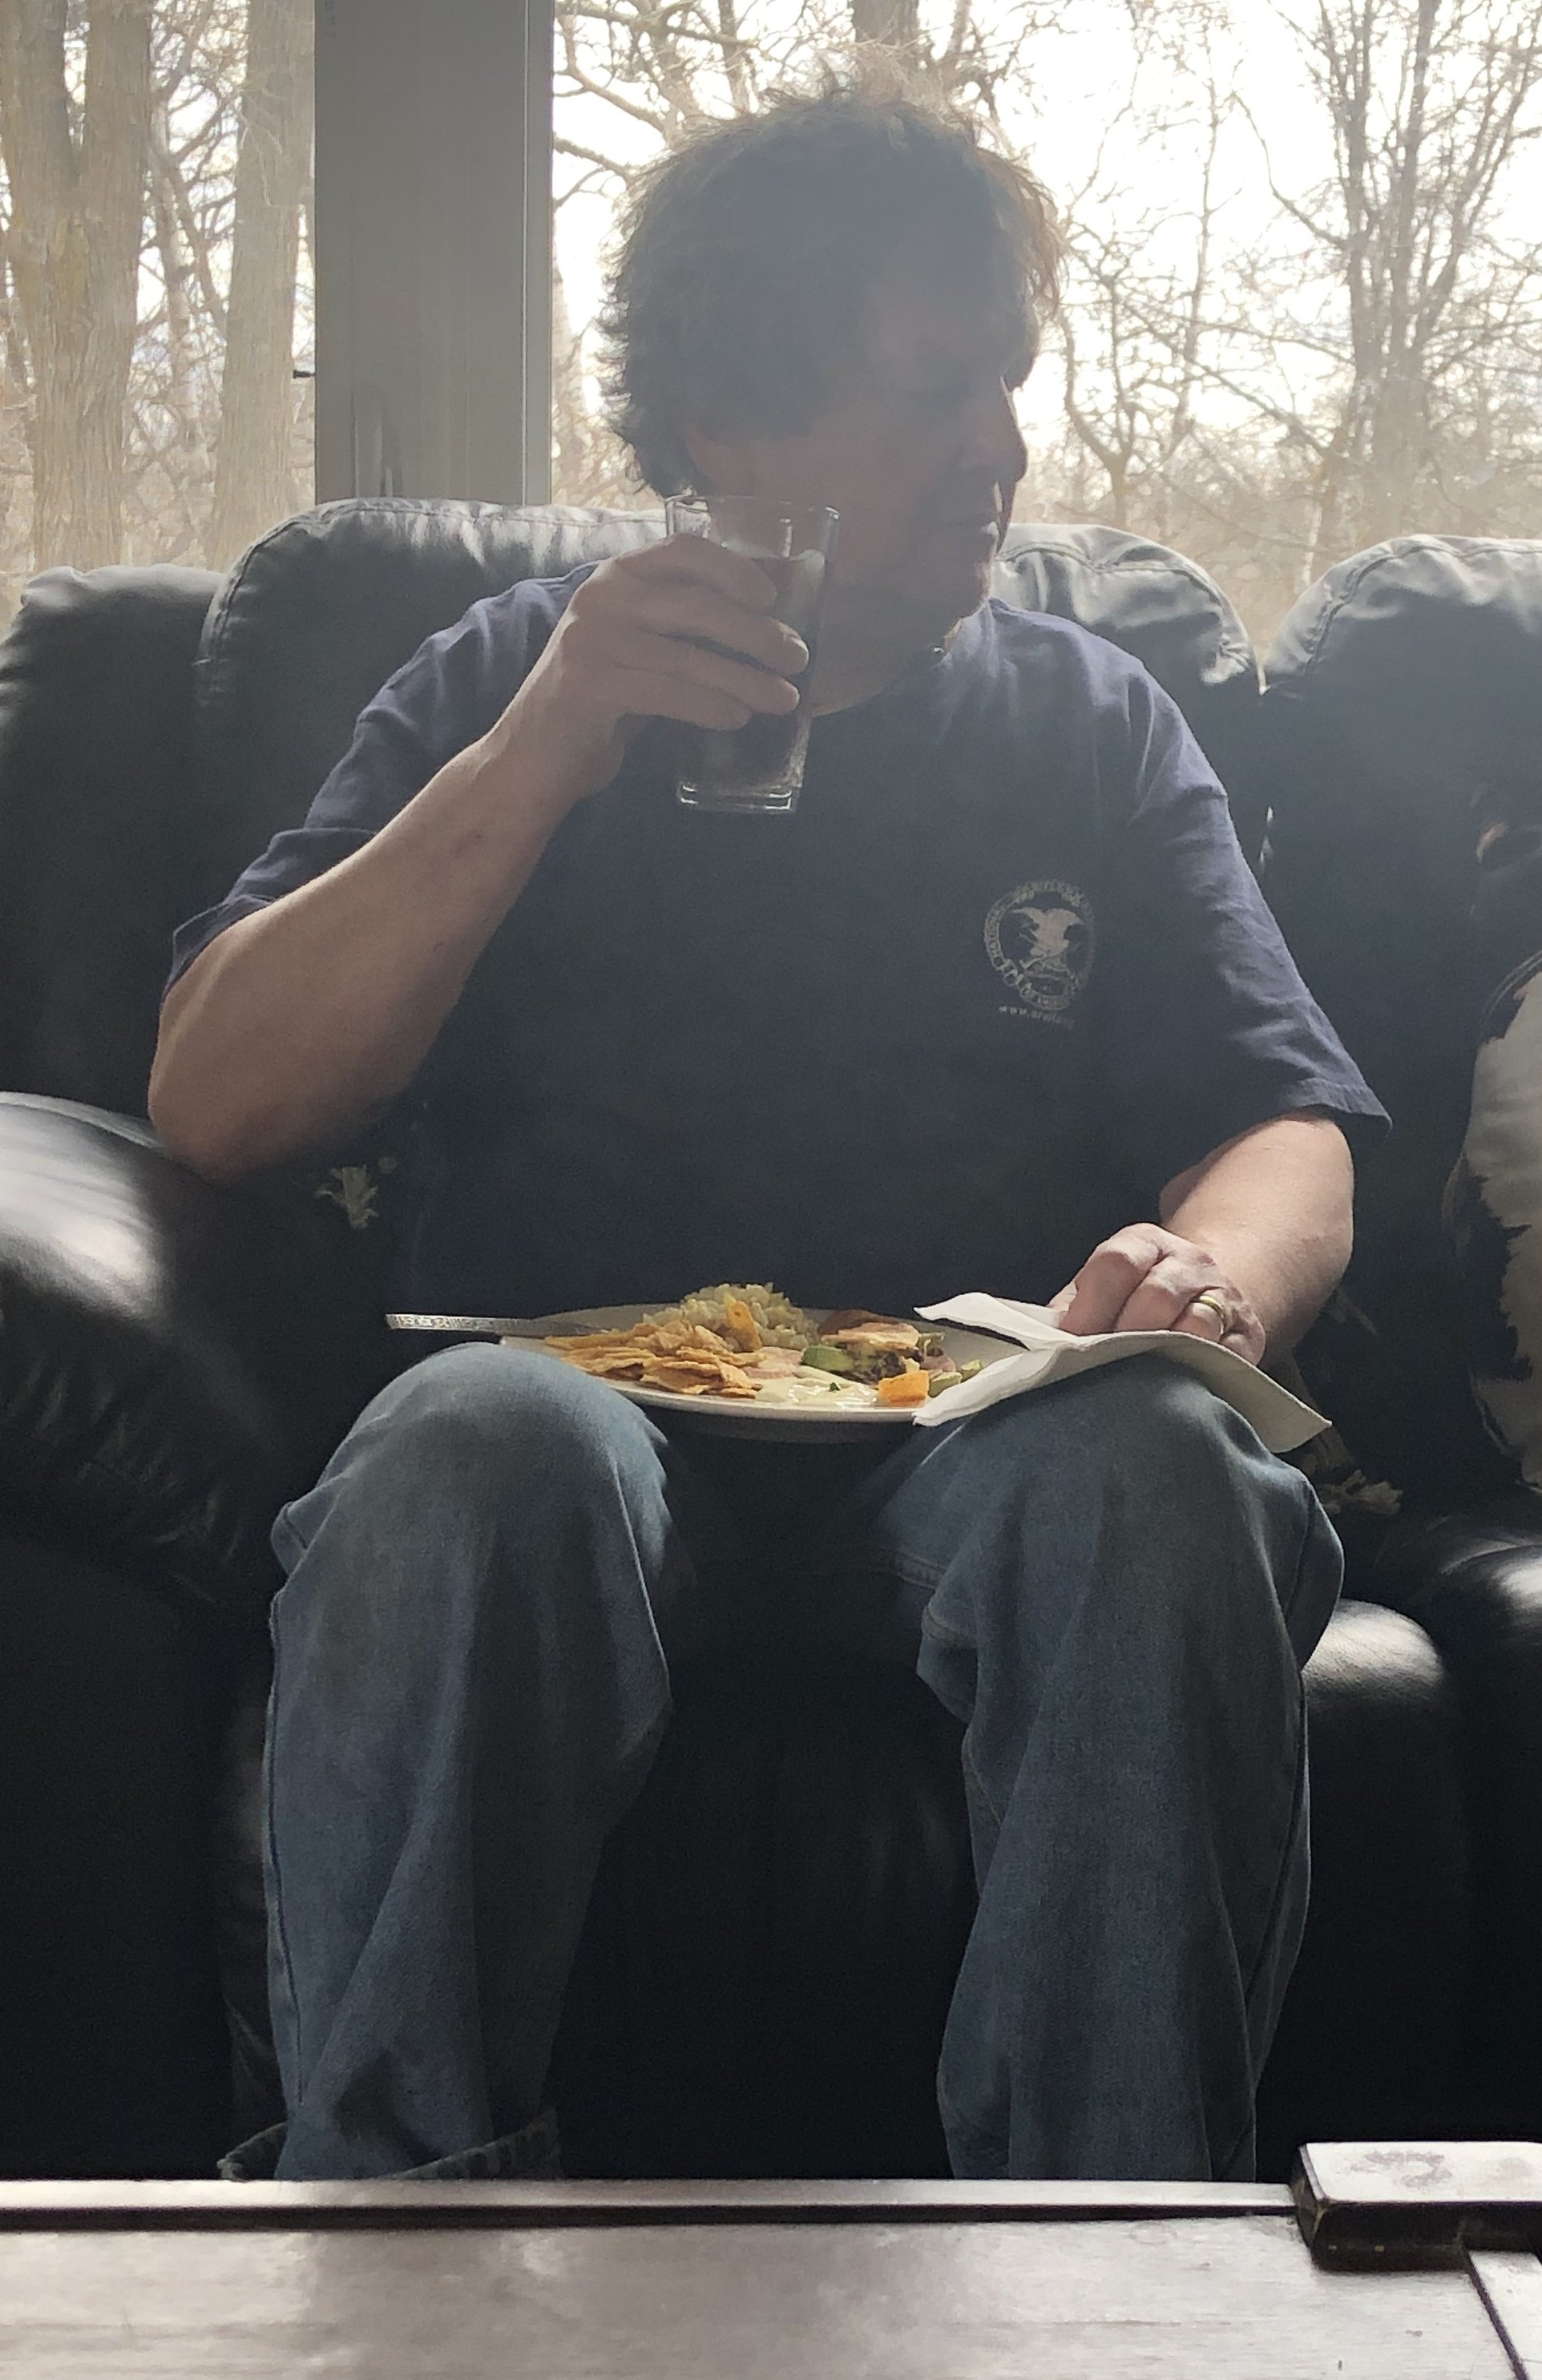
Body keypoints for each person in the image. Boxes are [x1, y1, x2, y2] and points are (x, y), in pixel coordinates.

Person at [147, 75, 1387, 2186]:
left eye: (1008, 382)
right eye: (933, 390)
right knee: (466, 1449)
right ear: (730, 424)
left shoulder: (1092, 726)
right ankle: (390, 2259)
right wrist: (547, 747)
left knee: (1167, 1470)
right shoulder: (500, 683)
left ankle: (1115, 2262)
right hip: (577, 1414)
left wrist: (1221, 1277)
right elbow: (218, 1097)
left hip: (984, 1427)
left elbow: (1284, 1123)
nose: (999, 449)